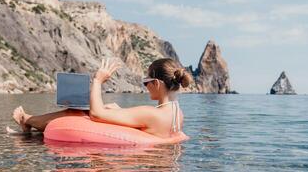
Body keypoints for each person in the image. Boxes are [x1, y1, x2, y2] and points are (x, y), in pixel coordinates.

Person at [12, 58, 192, 138]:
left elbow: (96, 114)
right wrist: (119, 111)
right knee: (109, 108)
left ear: (157, 84)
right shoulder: (178, 113)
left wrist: (98, 80)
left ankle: (26, 119)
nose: (144, 86)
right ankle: (30, 125)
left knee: (76, 113)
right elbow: (147, 123)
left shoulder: (151, 113)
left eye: (146, 81)